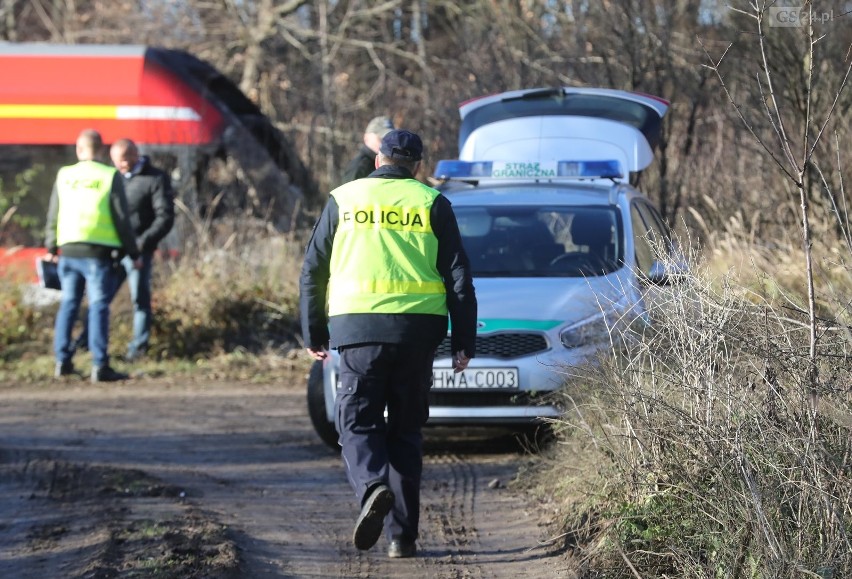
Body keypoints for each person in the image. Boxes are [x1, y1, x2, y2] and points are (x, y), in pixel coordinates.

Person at [300, 129, 478, 559]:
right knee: (405, 433)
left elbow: (313, 271)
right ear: (416, 165)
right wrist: (463, 341)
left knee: (357, 423)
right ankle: (403, 537)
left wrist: (313, 332)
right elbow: (459, 278)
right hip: (418, 334)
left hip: (358, 332)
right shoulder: (431, 202)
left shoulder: (344, 198)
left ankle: (372, 486)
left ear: (378, 159)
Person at [44, 129, 141, 383]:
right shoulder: (109, 176)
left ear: (79, 150)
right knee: (98, 306)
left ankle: (62, 361)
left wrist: (51, 246)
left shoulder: (65, 175)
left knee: (69, 304)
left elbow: (54, 212)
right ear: (102, 150)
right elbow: (122, 219)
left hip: (68, 251)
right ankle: (100, 365)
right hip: (98, 254)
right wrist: (133, 252)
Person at [339, 115, 395, 184]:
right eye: (380, 138)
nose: (384, 142)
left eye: (388, 138)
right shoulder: (359, 167)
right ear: (366, 137)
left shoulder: (388, 164)